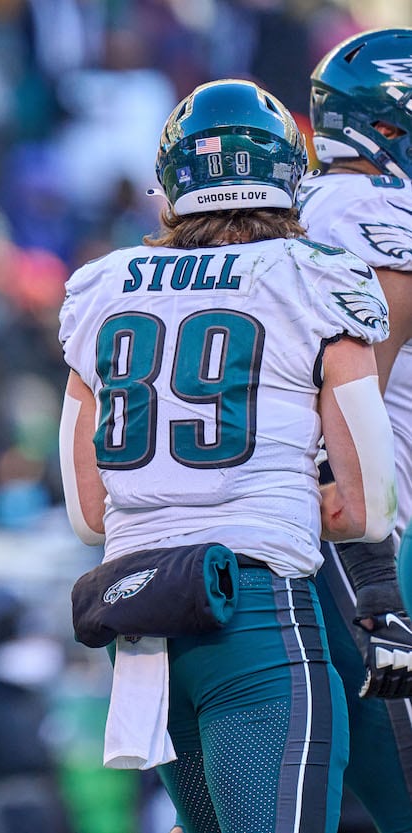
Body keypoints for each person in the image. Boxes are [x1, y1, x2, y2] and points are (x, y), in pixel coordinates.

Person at [58, 78, 400, 832]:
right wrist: (261, 491)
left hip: (140, 619)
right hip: (254, 616)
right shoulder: (317, 277)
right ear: (288, 172)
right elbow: (371, 502)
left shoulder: (99, 287)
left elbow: (89, 512)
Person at [298, 27, 412, 830]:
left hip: (278, 530)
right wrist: (376, 571)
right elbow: (348, 395)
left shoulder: (290, 205)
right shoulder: (377, 214)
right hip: (367, 539)